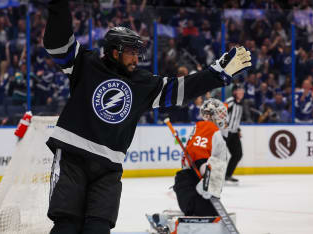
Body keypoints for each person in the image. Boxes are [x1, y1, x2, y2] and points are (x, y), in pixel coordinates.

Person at [43, 1, 251, 233]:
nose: (136, 58)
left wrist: (215, 74)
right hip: (73, 157)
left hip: (108, 167)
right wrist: (59, 6)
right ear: (115, 52)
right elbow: (57, 43)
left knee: (98, 228)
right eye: (131, 53)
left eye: (137, 53)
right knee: (67, 226)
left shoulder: (142, 83)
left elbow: (181, 89)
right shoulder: (86, 63)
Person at [173, 98, 230, 216]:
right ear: (210, 115)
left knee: (211, 214)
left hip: (189, 188)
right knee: (210, 214)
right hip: (192, 188)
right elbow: (199, 156)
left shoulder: (205, 128)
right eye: (220, 113)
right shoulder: (208, 128)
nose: (223, 116)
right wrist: (208, 180)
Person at [224, 84, 245, 183]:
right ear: (234, 92)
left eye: (242, 90)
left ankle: (227, 175)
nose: (242, 92)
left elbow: (236, 119)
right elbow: (221, 113)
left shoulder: (241, 104)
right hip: (225, 133)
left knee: (238, 154)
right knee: (219, 156)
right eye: (239, 90)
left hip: (234, 133)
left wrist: (238, 130)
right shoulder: (230, 101)